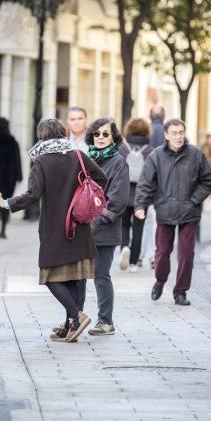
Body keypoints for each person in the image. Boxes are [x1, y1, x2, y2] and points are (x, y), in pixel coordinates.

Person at [0, 118, 107, 343]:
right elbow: (101, 178)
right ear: (62, 133)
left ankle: (77, 316)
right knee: (73, 279)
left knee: (50, 276)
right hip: (79, 227)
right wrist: (82, 198)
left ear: (42, 136)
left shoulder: (41, 161)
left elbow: (32, 195)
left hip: (55, 229)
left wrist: (6, 203)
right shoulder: (78, 156)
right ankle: (69, 325)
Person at [135, 118, 211, 305]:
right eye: (174, 133)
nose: (178, 137)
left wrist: (193, 200)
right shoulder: (156, 156)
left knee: (187, 254)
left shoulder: (195, 154)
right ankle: (160, 281)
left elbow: (208, 181)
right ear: (166, 135)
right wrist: (140, 205)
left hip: (189, 212)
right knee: (163, 252)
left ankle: (180, 291)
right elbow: (146, 183)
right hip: (165, 210)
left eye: (181, 132)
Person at [85, 118, 129, 335]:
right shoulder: (85, 159)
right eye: (96, 134)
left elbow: (118, 200)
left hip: (104, 229)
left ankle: (106, 321)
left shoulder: (119, 162)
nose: (100, 138)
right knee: (78, 275)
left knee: (101, 274)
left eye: (105, 134)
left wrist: (98, 219)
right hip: (83, 227)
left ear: (113, 137)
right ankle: (75, 318)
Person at [118, 118, 154, 271]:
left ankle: (124, 247)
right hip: (142, 196)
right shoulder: (150, 150)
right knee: (139, 228)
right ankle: (134, 262)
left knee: (124, 225)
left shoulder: (122, 148)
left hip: (124, 193)